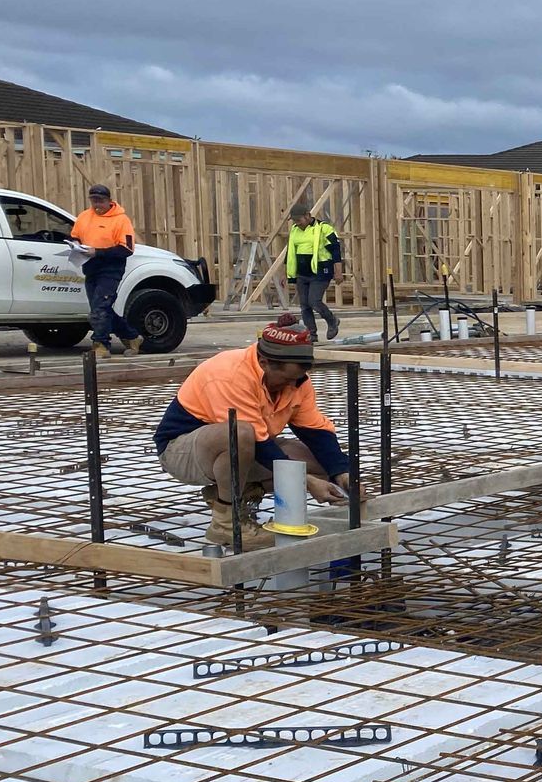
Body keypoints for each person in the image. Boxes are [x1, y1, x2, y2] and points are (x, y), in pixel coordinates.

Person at [153, 314, 354, 547]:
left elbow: (315, 431)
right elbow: (256, 442)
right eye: (286, 379)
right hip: (183, 452)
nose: (291, 386)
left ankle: (237, 492)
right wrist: (305, 482)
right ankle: (225, 523)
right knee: (240, 433)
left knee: (322, 464)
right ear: (264, 362)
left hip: (249, 448)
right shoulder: (230, 374)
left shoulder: (297, 380)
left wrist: (342, 472)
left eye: (296, 379)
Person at [69, 183, 142, 356]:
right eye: (94, 201)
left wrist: (99, 252)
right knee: (101, 307)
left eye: (100, 201)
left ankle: (101, 344)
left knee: (100, 307)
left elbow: (127, 249)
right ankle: (132, 337)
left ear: (109, 201)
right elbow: (74, 236)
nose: (97, 205)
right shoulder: (84, 217)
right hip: (90, 266)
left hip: (111, 268)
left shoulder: (120, 220)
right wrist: (76, 245)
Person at [284, 200, 344, 339]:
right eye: (294, 220)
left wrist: (338, 272)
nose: (297, 223)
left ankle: (332, 320)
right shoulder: (295, 230)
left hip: (320, 271)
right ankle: (312, 334)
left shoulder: (324, 229)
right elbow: (290, 253)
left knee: (314, 301)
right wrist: (285, 273)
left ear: (307, 215)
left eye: (299, 220)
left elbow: (335, 251)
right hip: (302, 273)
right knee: (305, 305)